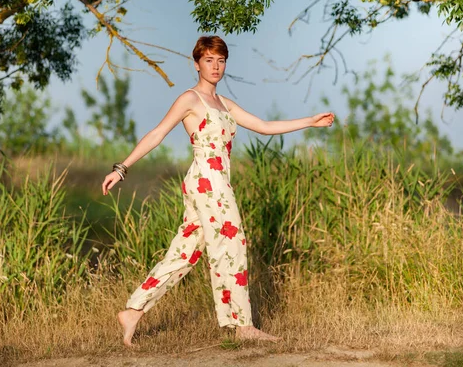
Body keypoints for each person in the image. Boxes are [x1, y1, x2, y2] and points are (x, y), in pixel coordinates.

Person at [102, 36, 335, 347]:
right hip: (207, 181)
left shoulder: (224, 104)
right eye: (209, 60)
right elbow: (158, 133)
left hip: (216, 182)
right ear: (196, 63)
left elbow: (263, 126)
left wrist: (309, 122)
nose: (215, 66)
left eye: (221, 60)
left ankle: (133, 310)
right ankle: (243, 325)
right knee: (234, 243)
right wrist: (122, 169)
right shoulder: (190, 99)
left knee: (186, 252)